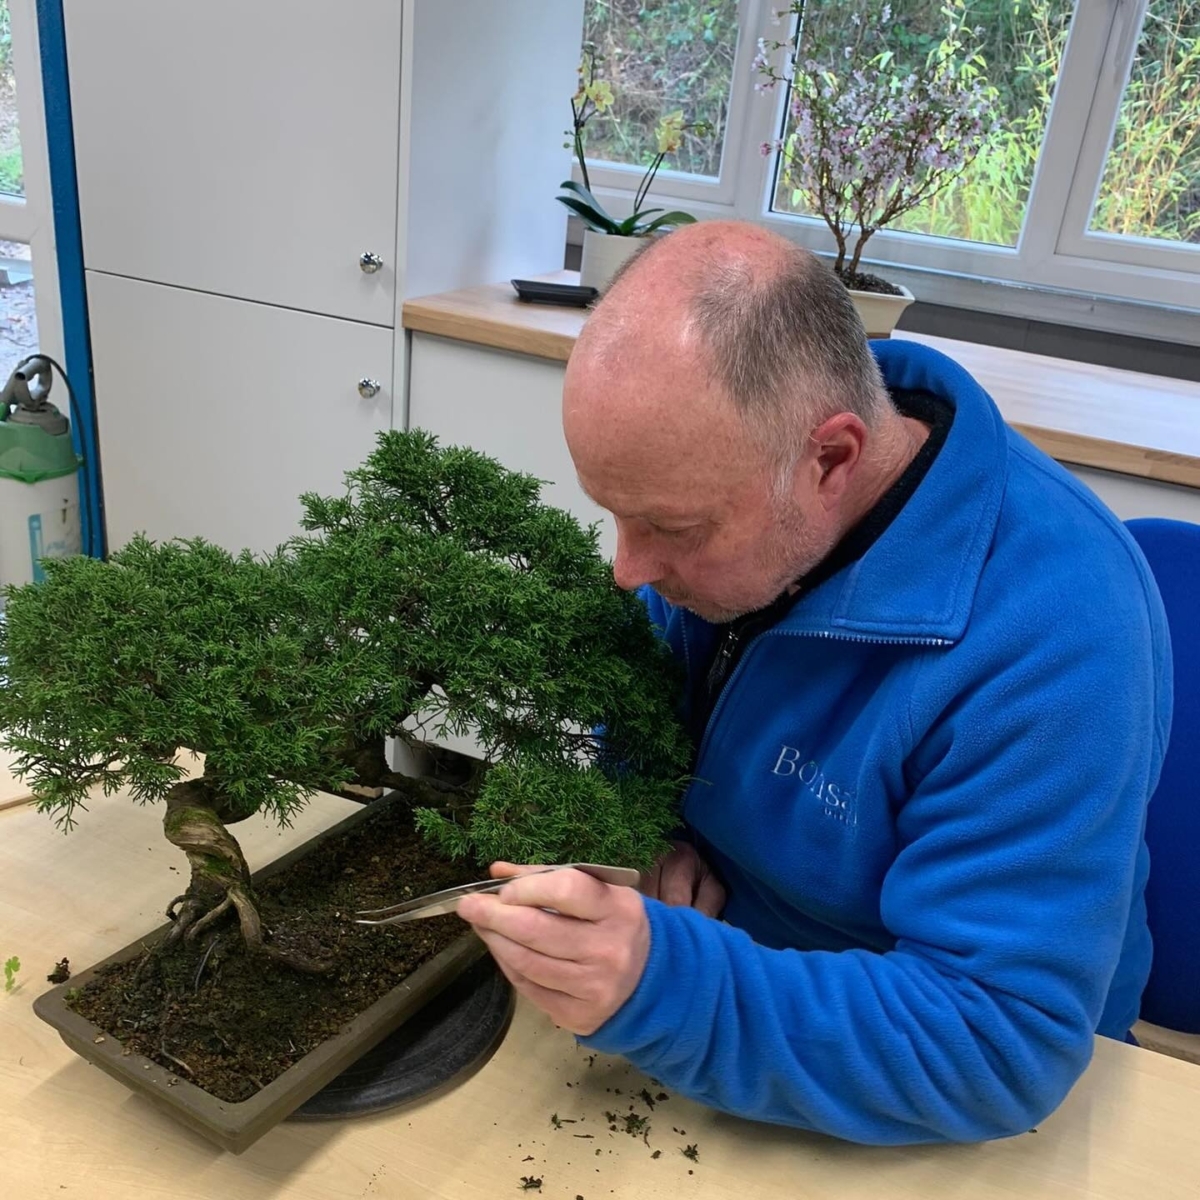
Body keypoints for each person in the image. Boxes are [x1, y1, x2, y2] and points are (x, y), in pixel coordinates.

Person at [456, 221, 1172, 1145]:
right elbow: (637, 721)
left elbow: (998, 1042)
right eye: (614, 517)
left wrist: (667, 982)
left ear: (831, 458)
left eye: (671, 527)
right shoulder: (740, 487)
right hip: (721, 1006)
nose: (627, 570)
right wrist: (648, 828)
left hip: (905, 1078)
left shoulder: (1061, 634)